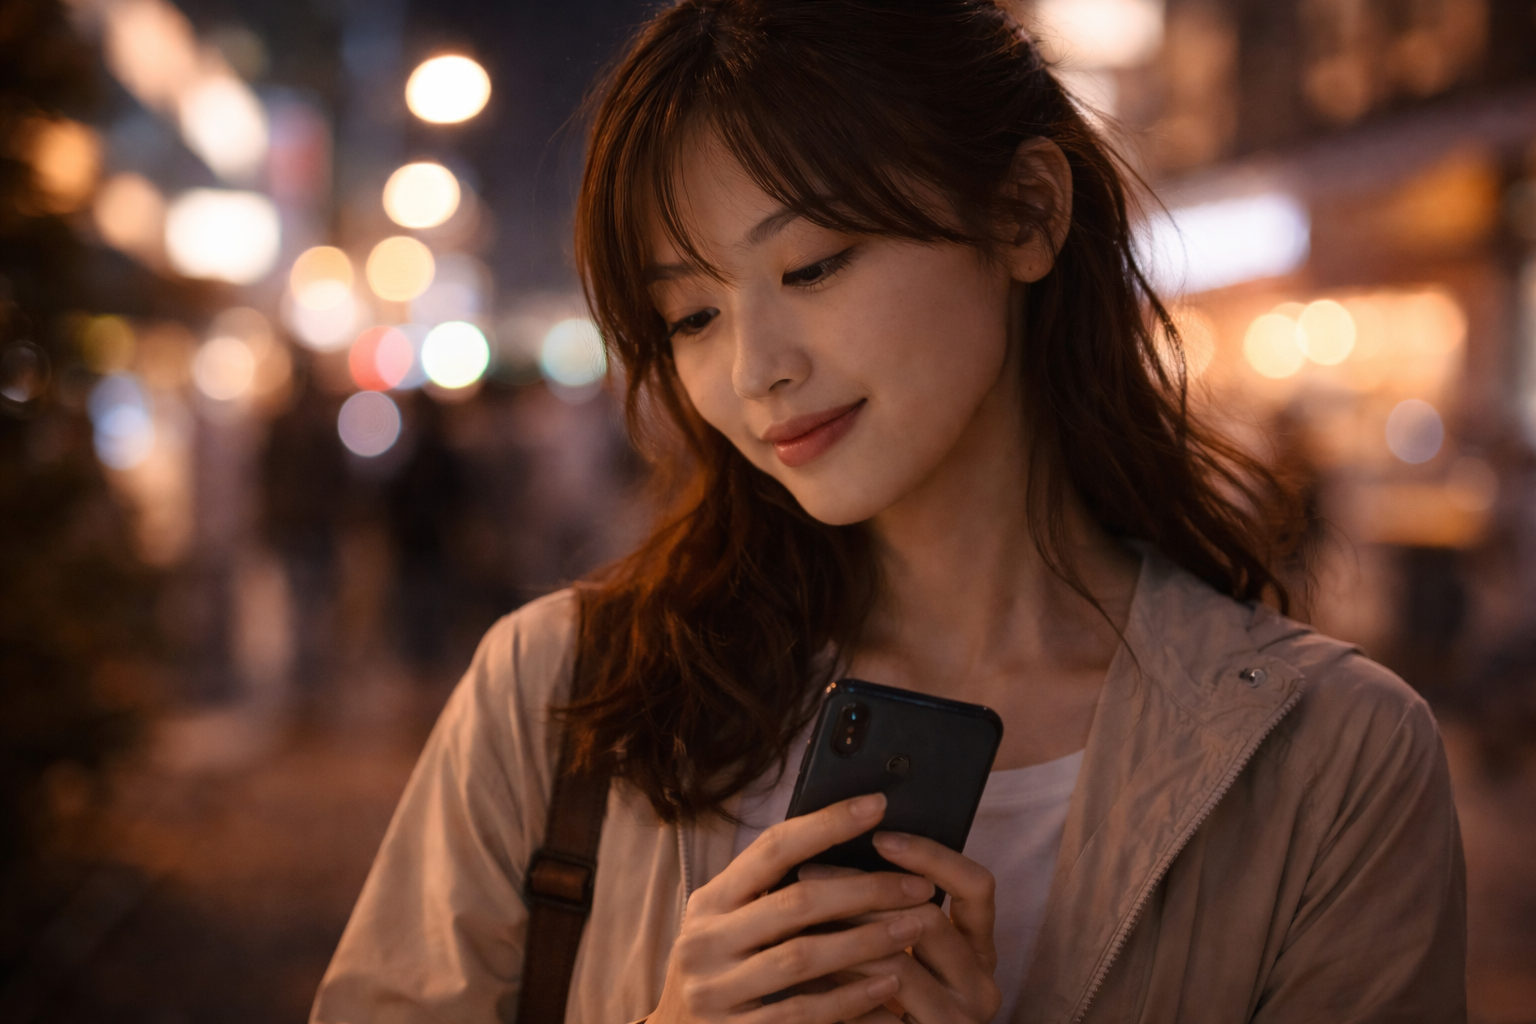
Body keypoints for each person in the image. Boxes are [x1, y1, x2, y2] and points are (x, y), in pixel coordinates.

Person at [311, 2, 1466, 1022]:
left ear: (1023, 214)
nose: (756, 369)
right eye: (692, 317)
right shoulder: (561, 692)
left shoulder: (1333, 762)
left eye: (813, 265)